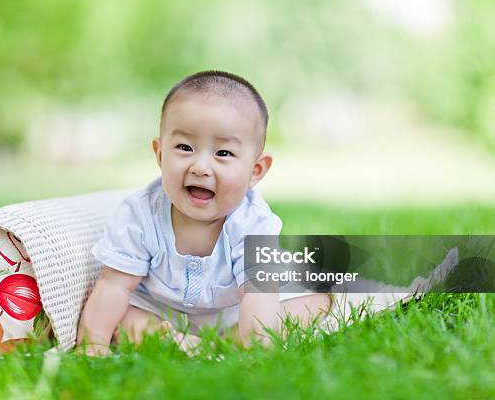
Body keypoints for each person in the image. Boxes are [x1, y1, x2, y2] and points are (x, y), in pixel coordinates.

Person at [75, 70, 331, 356]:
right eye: (185, 147)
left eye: (223, 153)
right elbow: (114, 285)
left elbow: (258, 297)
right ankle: (176, 342)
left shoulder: (254, 223)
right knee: (124, 317)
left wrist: (258, 346)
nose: (200, 166)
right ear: (160, 155)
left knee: (312, 303)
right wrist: (93, 343)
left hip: (236, 314)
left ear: (255, 171)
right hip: (161, 313)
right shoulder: (139, 214)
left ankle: (223, 343)